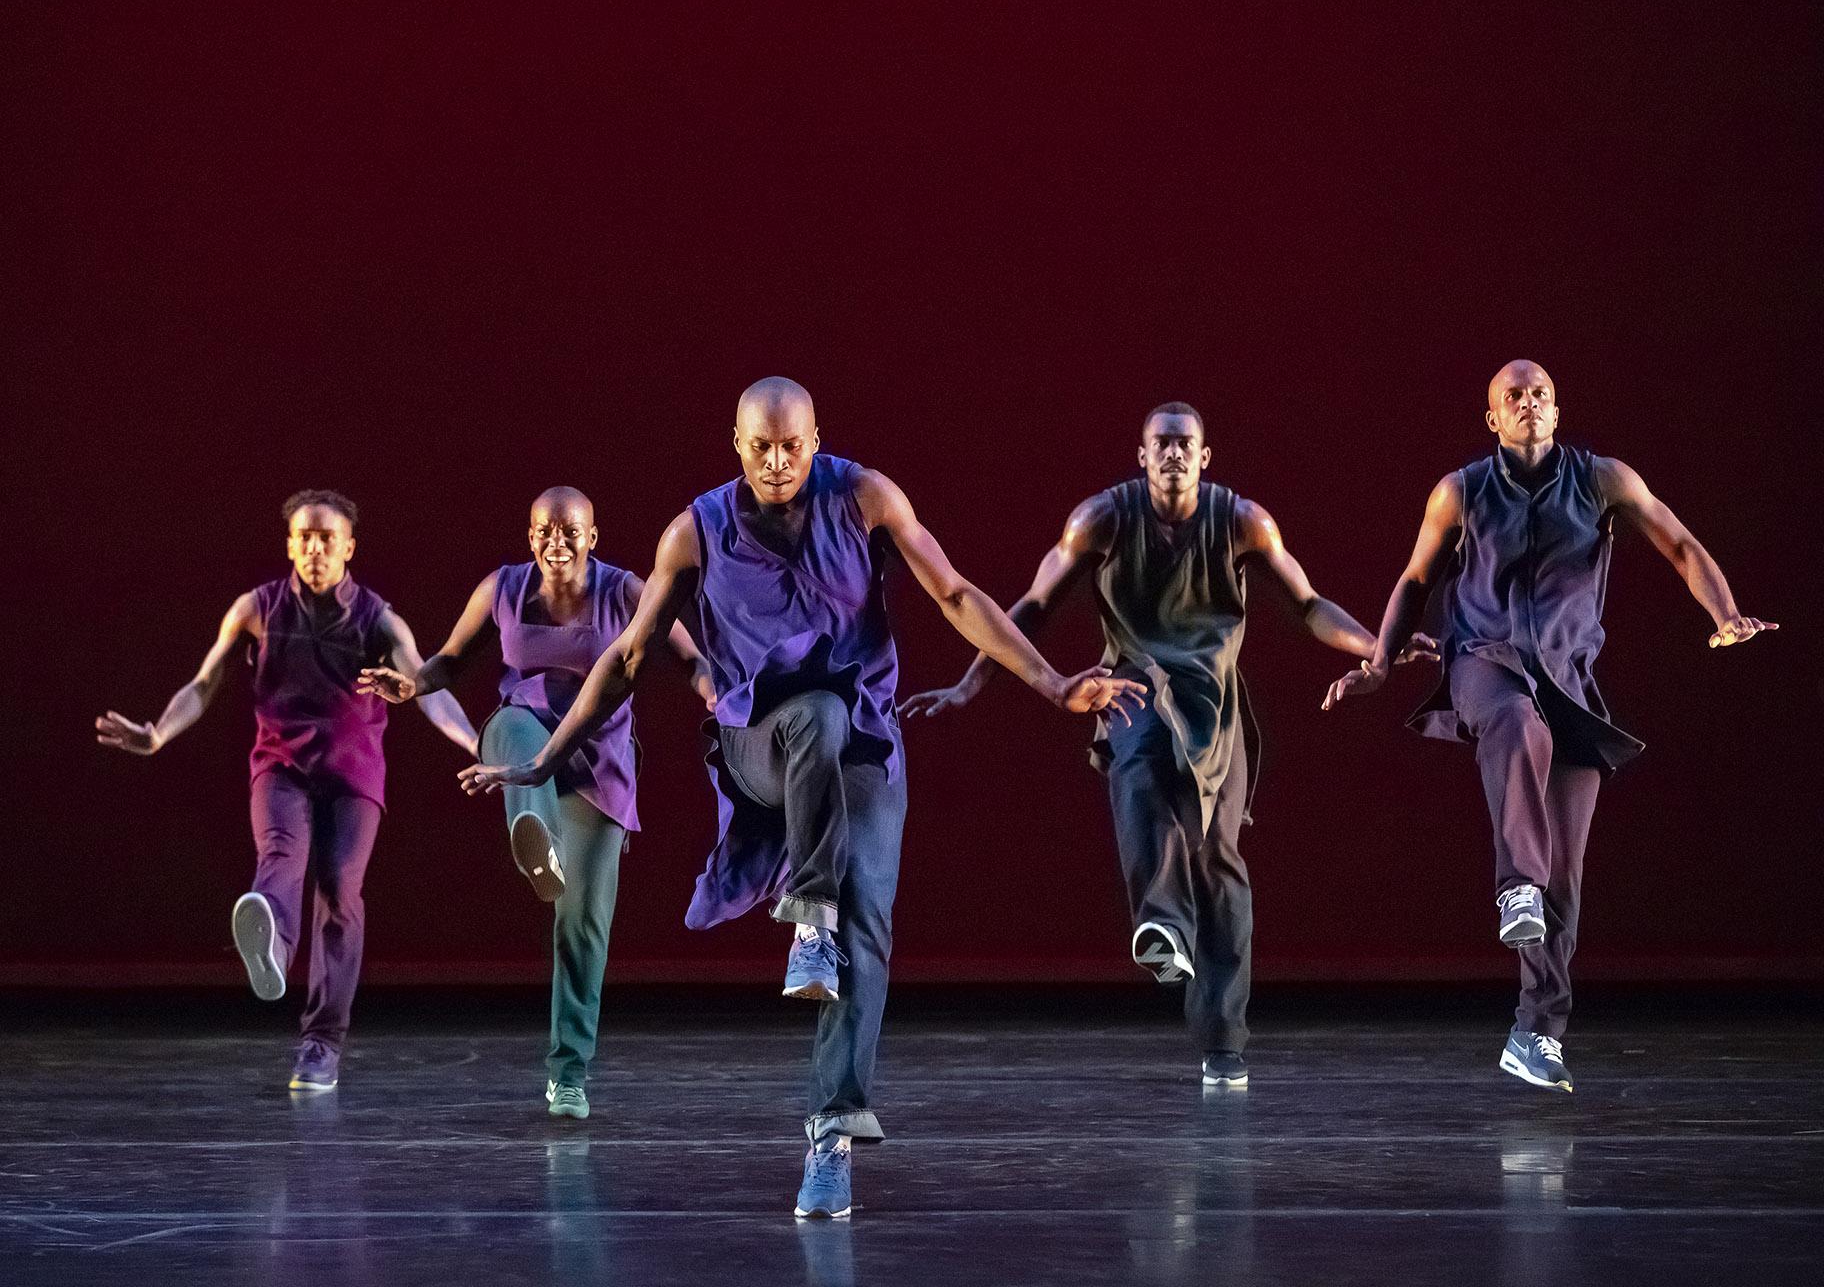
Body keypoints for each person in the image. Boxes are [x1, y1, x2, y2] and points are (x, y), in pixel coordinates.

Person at [458, 377, 1145, 1219]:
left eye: (793, 445)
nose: (778, 461)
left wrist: (1051, 684)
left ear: (816, 439)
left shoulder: (864, 498)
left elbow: (956, 595)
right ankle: (808, 912)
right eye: (761, 446)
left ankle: (829, 1133)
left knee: (871, 922)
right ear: (736, 445)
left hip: (863, 746)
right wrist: (543, 761)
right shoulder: (695, 531)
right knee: (811, 714)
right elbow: (630, 656)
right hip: (761, 744)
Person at [902, 402, 1434, 1089]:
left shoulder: (1243, 521)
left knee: (1219, 862)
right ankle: (1160, 926)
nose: (1176, 455)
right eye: (1163, 445)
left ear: (1205, 457)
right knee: (1141, 766)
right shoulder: (1100, 520)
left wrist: (1376, 648)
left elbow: (1307, 603)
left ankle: (1222, 1040)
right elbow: (1031, 606)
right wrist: (969, 686)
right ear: (1143, 456)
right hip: (1130, 684)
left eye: (1187, 445)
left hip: (1216, 701)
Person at [1322, 360, 1776, 1092]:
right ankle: (1514, 886)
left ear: (1556, 412)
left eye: (1539, 395)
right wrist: (1378, 662)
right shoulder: (1460, 491)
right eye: (1513, 397)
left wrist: (1725, 613)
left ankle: (1536, 1033)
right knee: (1517, 730)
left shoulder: (1602, 481)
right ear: (1493, 418)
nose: (1528, 403)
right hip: (1483, 665)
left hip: (1570, 683)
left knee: (1564, 873)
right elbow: (1415, 579)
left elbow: (1681, 544)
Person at [97, 490, 476, 1091]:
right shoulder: (257, 608)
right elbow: (205, 681)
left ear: (349, 547)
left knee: (340, 889)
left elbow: (428, 687)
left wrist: (477, 745)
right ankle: (271, 940)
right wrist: (158, 734)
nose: (315, 547)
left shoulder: (378, 618)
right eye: (304, 536)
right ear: (290, 545)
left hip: (353, 776)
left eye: (327, 538)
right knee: (280, 853)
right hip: (281, 767)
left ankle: (321, 1043)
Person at [358, 486, 713, 1119]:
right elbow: (449, 660)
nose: (557, 540)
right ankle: (538, 839)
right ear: (530, 537)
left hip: (600, 758)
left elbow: (687, 656)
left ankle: (568, 1075)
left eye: (570, 530)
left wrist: (712, 690)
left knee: (582, 927)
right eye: (545, 530)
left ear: (592, 538)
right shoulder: (501, 590)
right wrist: (412, 685)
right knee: (515, 734)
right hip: (523, 730)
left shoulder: (626, 589)